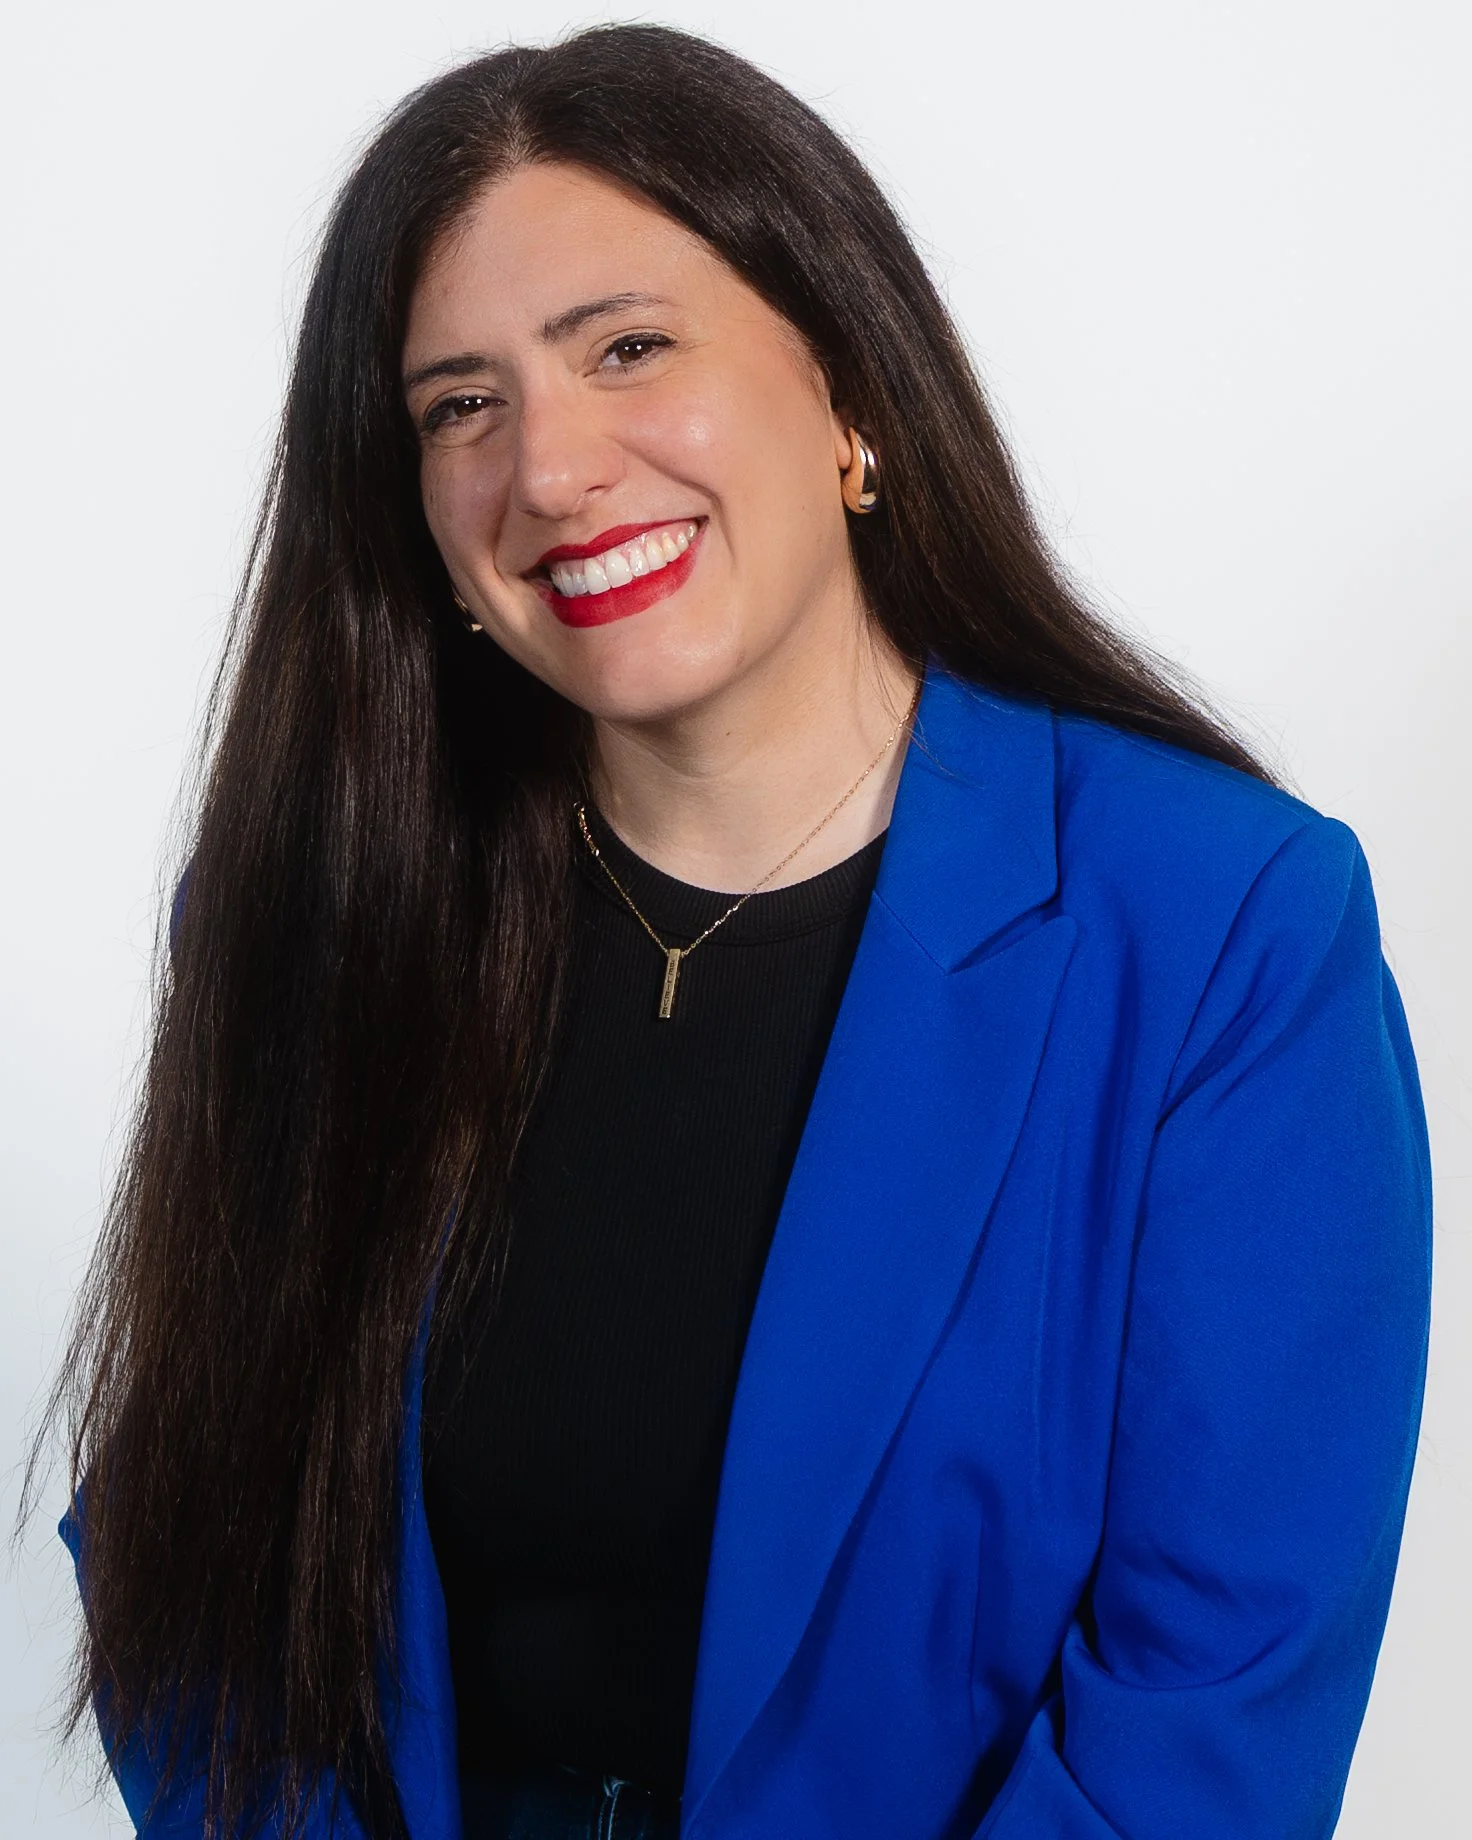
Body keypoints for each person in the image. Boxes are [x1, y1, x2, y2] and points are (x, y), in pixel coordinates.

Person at [42, 22, 1431, 1840]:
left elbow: (1211, 1721)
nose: (548, 471)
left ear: (848, 386)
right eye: (462, 404)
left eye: (628, 348)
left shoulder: (1223, 931)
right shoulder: (316, 909)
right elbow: (193, 1563)